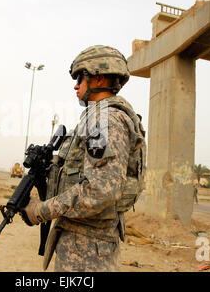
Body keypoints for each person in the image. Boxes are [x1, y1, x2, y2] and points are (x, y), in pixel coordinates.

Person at [22, 45, 146, 272]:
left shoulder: (107, 121)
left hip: (88, 252)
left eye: (80, 77)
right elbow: (81, 175)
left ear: (99, 79)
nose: (76, 85)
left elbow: (100, 191)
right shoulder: (97, 118)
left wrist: (41, 211)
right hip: (83, 243)